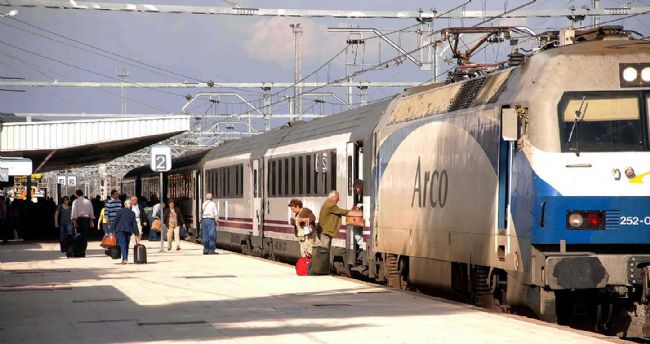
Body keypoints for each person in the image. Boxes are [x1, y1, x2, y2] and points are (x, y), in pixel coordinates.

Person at [113, 199, 139, 264]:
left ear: (124, 205)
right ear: (130, 206)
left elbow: (115, 221)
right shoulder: (132, 213)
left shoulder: (119, 211)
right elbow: (134, 224)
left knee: (123, 244)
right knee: (126, 245)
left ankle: (124, 258)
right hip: (128, 230)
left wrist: (111, 230)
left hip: (120, 230)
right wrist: (136, 233)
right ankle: (125, 258)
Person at [351, 179, 365, 258]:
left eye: (356, 188)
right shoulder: (361, 194)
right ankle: (361, 245)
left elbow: (363, 203)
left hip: (363, 217)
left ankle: (361, 245)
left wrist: (358, 206)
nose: (356, 190)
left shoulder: (363, 194)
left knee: (355, 229)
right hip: (361, 216)